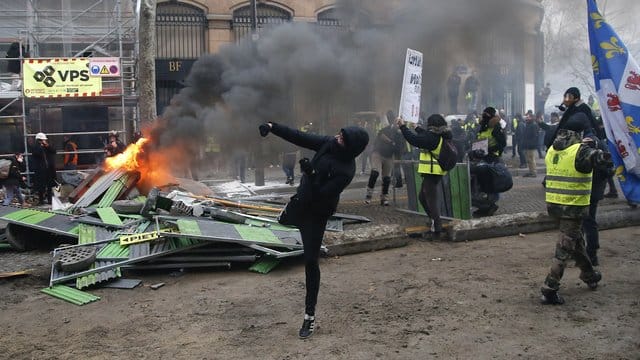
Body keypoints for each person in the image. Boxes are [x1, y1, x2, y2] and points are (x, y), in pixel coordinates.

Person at [258, 121, 369, 339]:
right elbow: (300, 136)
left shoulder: (346, 170)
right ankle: (288, 211)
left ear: (350, 147)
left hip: (316, 215)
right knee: (284, 220)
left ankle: (309, 316)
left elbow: (323, 195)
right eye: (339, 133)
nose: (337, 137)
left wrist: (312, 172)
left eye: (342, 138)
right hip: (300, 203)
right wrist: (273, 126)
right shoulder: (328, 143)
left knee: (310, 261)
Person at [539, 126, 609, 305]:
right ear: (580, 133)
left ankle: (589, 274)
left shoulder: (552, 149)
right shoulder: (580, 151)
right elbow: (603, 160)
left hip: (555, 205)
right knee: (564, 248)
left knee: (576, 242)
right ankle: (550, 287)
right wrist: (599, 147)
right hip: (573, 206)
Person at [397, 114, 452, 234]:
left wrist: (402, 127)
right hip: (433, 172)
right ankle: (434, 221)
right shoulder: (437, 135)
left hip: (432, 172)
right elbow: (425, 135)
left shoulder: (432, 138)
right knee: (423, 197)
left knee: (431, 201)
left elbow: (414, 140)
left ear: (432, 125)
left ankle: (437, 229)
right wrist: (416, 127)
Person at [469, 107, 506, 217]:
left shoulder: (496, 127)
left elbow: (502, 144)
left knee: (490, 184)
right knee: (480, 184)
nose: (484, 116)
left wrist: (489, 150)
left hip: (492, 159)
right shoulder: (482, 127)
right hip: (481, 158)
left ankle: (490, 205)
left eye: (487, 114)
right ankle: (484, 206)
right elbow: (478, 140)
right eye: (483, 113)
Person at [365, 110, 406, 206]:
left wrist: (398, 159)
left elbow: (400, 148)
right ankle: (368, 195)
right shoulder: (386, 128)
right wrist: (391, 142)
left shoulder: (400, 134)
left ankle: (384, 198)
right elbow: (380, 135)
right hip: (378, 153)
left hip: (389, 156)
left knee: (387, 178)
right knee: (375, 172)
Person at [31, 132, 57, 205]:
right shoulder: (35, 147)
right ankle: (41, 200)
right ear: (38, 140)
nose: (44, 141)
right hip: (40, 170)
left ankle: (50, 200)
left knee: (50, 185)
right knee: (41, 186)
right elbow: (37, 153)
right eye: (42, 140)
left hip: (49, 169)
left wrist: (47, 146)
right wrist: (41, 146)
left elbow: (54, 151)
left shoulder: (47, 146)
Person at [522, 112, 539, 177]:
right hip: (527, 145)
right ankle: (530, 171)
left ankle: (534, 172)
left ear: (531, 117)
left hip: (531, 145)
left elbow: (535, 136)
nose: (527, 118)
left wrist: (531, 144)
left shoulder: (533, 125)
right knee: (528, 159)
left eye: (528, 117)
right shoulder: (528, 124)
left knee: (531, 159)